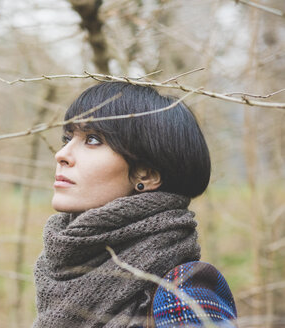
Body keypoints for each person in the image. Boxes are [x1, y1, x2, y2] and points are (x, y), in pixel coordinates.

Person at [33, 82, 238, 327]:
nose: (62, 154)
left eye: (93, 139)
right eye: (67, 138)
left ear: (146, 174)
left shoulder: (183, 294)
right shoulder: (57, 269)